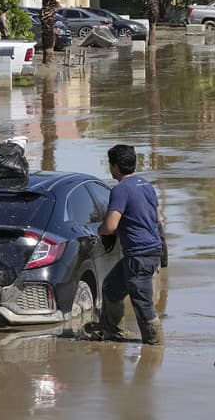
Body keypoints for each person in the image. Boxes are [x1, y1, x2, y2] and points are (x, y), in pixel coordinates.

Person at [87, 144, 165, 346]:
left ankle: (155, 346)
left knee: (143, 304)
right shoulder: (146, 185)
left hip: (138, 255)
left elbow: (111, 226)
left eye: (110, 165)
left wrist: (99, 230)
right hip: (151, 251)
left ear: (114, 166)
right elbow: (156, 217)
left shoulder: (120, 189)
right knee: (111, 288)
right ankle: (114, 332)